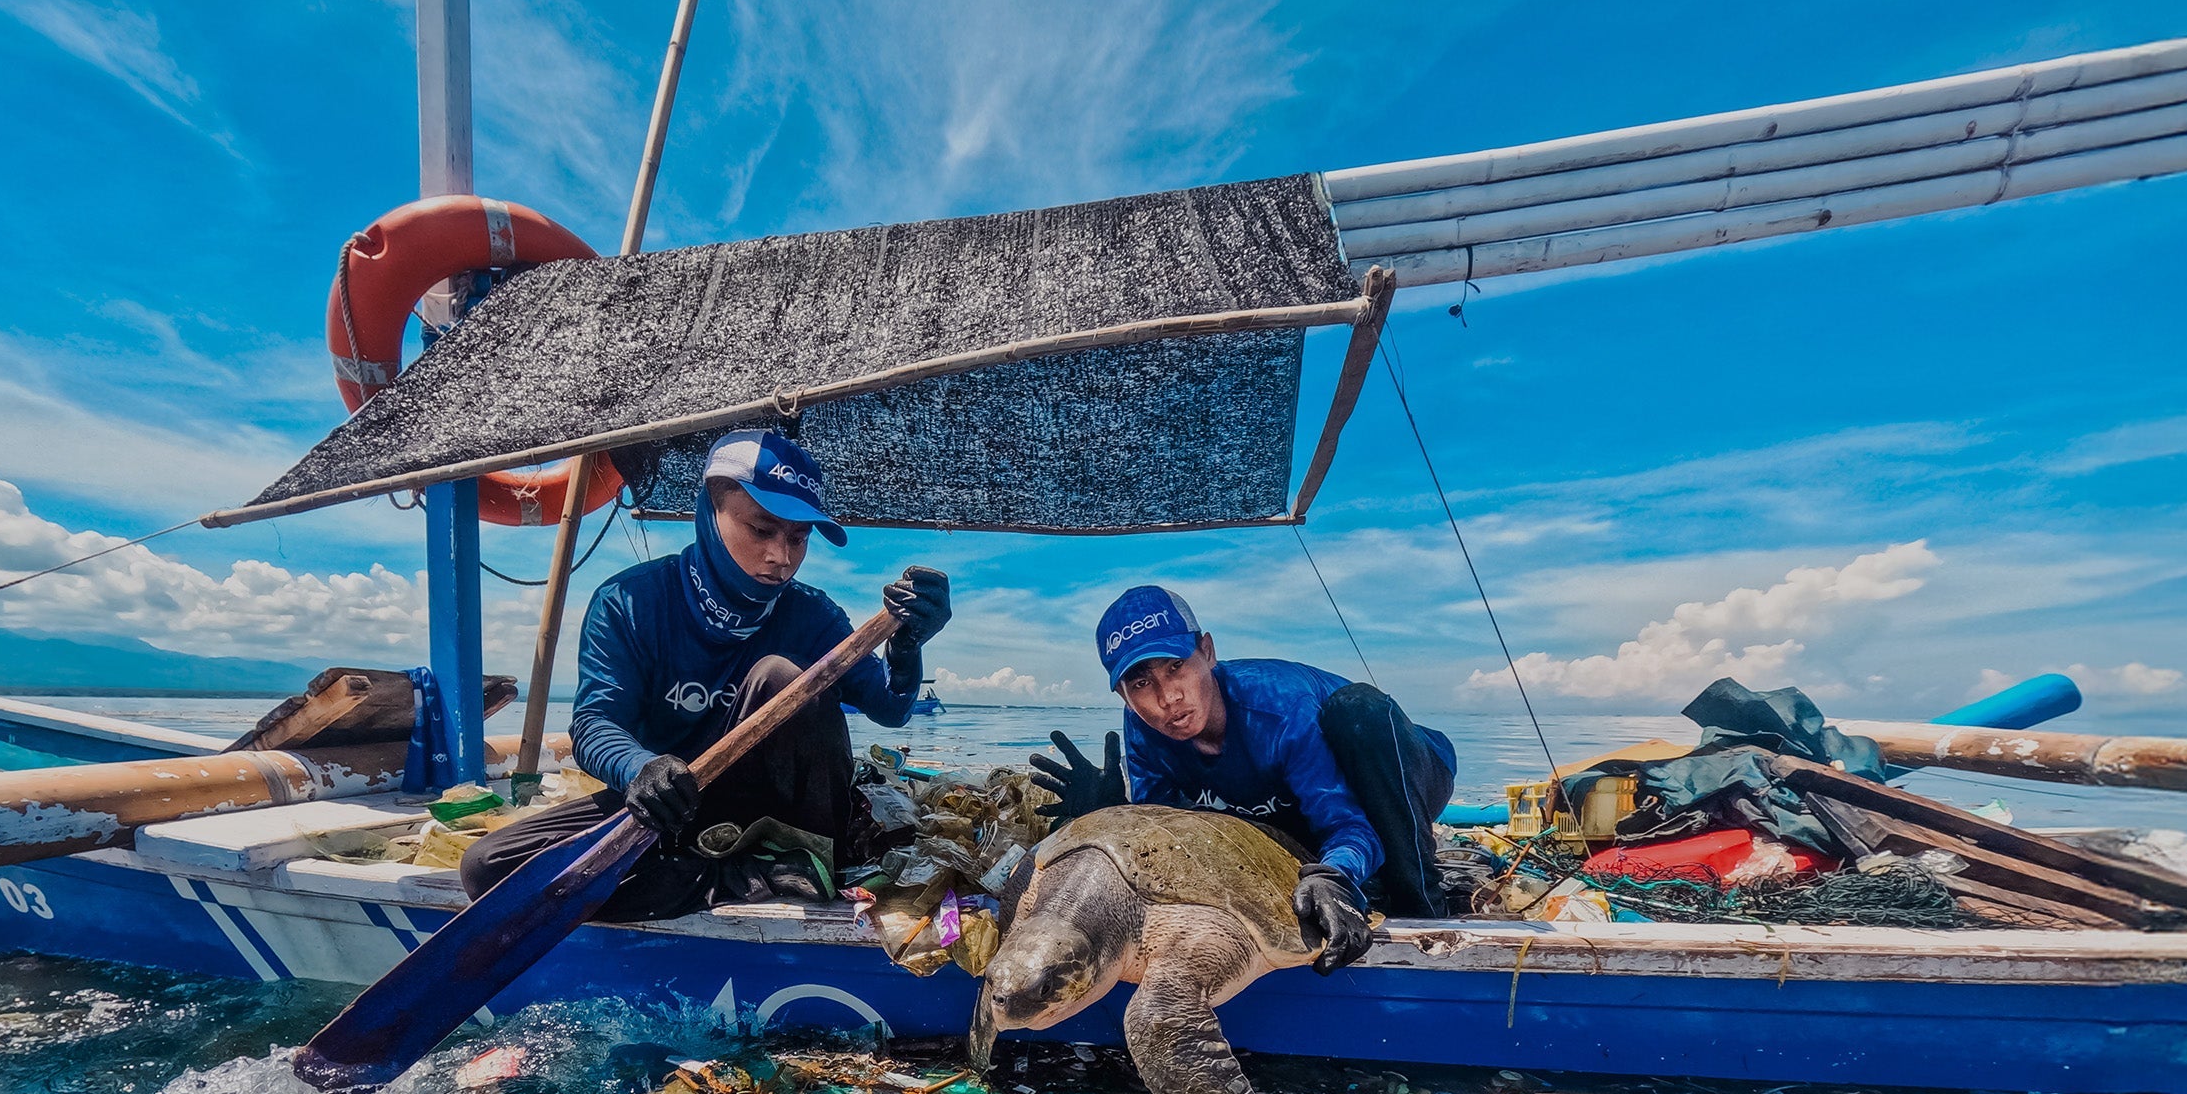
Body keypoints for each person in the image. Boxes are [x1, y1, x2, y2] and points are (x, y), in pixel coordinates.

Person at [461, 429, 951, 918]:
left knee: (778, 675)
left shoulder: (812, 615)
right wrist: (639, 769)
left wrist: (906, 647)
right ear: (710, 514)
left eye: (798, 538)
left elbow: (890, 708)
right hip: (673, 808)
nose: (782, 557)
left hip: (781, 824)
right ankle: (727, 878)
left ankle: (803, 860)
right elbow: (593, 727)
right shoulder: (630, 602)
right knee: (488, 867)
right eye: (762, 530)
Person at [1030, 587, 1456, 964]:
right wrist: (1113, 816)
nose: (1167, 698)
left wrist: (1337, 875)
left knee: (1359, 712)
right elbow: (1172, 839)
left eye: (1176, 666)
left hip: (1394, 770)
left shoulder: (1280, 707)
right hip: (1282, 803)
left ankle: (1422, 903)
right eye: (1141, 683)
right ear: (1122, 693)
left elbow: (1348, 824)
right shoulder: (1144, 728)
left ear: (1208, 652)